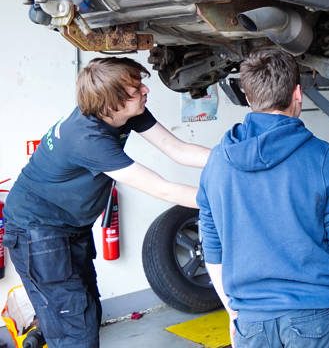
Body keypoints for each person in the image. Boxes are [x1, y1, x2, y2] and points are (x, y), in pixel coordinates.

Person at [2, 56, 210, 348]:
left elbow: (177, 149)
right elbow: (161, 189)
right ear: (111, 101)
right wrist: (226, 198)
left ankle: (46, 336)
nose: (145, 91)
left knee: (82, 311)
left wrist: (231, 162)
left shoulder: (122, 112)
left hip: (68, 225)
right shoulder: (88, 138)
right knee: (77, 328)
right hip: (37, 231)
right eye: (136, 89)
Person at [197, 48, 329, 348]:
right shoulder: (322, 157)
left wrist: (234, 313)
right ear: (297, 93)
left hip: (252, 319)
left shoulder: (217, 162)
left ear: (248, 98)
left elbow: (213, 249)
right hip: (316, 314)